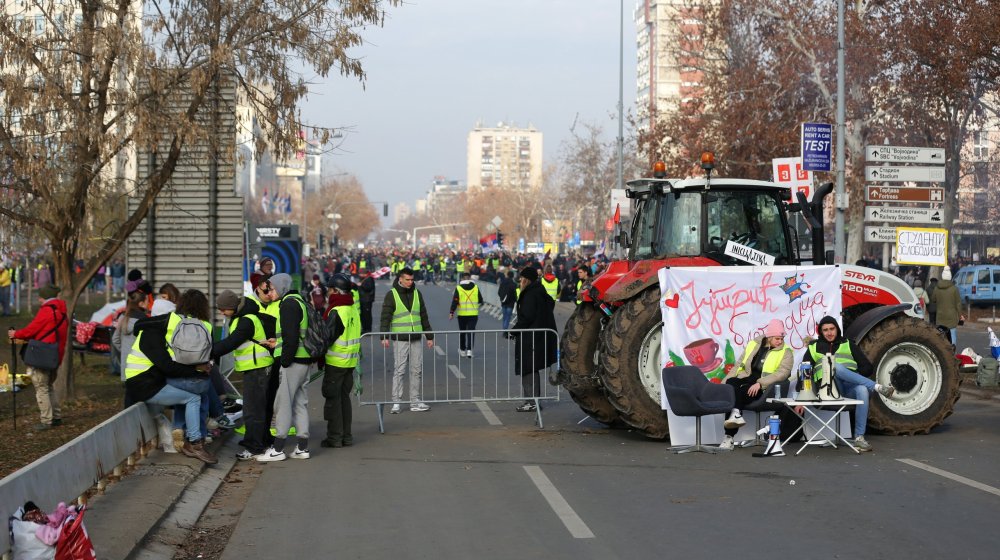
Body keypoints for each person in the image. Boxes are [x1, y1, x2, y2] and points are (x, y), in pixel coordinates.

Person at [124, 298, 217, 464]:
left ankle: (181, 429)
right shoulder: (151, 336)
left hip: (149, 381)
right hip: (144, 385)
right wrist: (195, 370)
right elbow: (168, 366)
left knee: (194, 392)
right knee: (193, 397)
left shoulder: (155, 332)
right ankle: (195, 442)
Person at [800, 315, 895, 452]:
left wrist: (852, 376)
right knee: (835, 366)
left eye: (832, 329)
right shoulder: (814, 347)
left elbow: (867, 368)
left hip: (849, 388)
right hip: (828, 390)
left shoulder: (848, 344)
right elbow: (805, 371)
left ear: (837, 329)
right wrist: (801, 396)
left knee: (862, 389)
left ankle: (859, 438)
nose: (829, 332)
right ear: (821, 331)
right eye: (825, 330)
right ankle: (877, 387)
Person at [211, 289, 276, 460]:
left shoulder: (246, 321)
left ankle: (254, 447)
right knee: (257, 408)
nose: (221, 312)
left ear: (232, 307)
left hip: (258, 369)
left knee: (252, 410)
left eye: (223, 309)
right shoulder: (243, 317)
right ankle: (260, 440)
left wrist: (206, 351)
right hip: (255, 367)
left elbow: (231, 343)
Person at [257, 273, 312, 462]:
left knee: (283, 404)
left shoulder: (288, 304)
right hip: (303, 359)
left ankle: (278, 449)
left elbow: (291, 337)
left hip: (293, 361)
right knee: (299, 403)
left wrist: (285, 360)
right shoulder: (298, 301)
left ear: (281, 287)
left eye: (271, 288)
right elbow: (292, 335)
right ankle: (302, 447)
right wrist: (278, 342)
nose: (269, 292)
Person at [719, 319, 793, 450]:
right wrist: (724, 384)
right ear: (769, 337)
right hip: (746, 379)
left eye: (782, 338)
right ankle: (735, 413)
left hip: (764, 387)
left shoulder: (786, 351)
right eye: (777, 338)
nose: (780, 341)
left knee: (738, 393)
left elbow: (782, 374)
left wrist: (760, 384)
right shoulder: (754, 344)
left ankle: (728, 437)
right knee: (730, 386)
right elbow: (738, 365)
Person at [9, 284, 68, 431]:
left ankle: (46, 420)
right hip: (55, 355)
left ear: (45, 297)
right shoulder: (61, 311)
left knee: (41, 387)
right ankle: (56, 417)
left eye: (40, 297)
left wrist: (16, 334)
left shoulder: (47, 311)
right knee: (49, 387)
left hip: (42, 356)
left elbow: (32, 329)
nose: (39, 300)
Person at [379, 267, 434, 413]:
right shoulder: (392, 295)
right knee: (400, 370)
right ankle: (396, 402)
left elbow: (423, 315)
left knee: (417, 370)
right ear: (400, 279)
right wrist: (384, 336)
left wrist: (429, 336)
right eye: (407, 279)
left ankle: (414, 401)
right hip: (400, 338)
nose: (410, 282)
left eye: (412, 279)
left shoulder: (417, 293)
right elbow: (385, 317)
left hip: (416, 337)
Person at [509, 267, 558, 412]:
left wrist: (514, 330)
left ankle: (532, 401)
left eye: (521, 278)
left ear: (526, 279)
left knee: (528, 368)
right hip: (537, 336)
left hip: (530, 337)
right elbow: (550, 304)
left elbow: (527, 316)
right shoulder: (540, 291)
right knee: (531, 368)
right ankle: (533, 400)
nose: (519, 280)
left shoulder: (530, 294)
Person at [322, 274, 360, 448]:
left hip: (336, 362)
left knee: (333, 399)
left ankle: (335, 438)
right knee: (344, 399)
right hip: (350, 362)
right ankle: (347, 436)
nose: (328, 293)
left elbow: (327, 337)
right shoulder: (352, 308)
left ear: (335, 290)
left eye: (329, 289)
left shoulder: (337, 310)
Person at [112, 290, 151, 408]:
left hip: (126, 366)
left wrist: (125, 351)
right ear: (141, 304)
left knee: (129, 398)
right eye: (147, 301)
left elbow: (115, 340)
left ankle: (127, 423)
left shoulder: (123, 318)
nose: (149, 304)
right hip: (141, 367)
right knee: (142, 401)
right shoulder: (145, 321)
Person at [450, 272, 483, 358]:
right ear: (469, 278)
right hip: (473, 314)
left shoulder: (458, 288)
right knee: (471, 332)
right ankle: (469, 351)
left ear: (462, 279)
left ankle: (462, 350)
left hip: (462, 314)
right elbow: (480, 300)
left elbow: (455, 301)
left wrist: (451, 312)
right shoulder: (475, 287)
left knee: (463, 332)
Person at [930, 267, 963, 347]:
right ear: (950, 277)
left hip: (940, 316)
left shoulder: (937, 288)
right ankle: (953, 351)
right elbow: (958, 304)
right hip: (951, 316)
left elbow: (933, 299)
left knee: (941, 334)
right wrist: (960, 315)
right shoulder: (954, 289)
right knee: (952, 334)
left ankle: (942, 350)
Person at [357, 268, 376, 334]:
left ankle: (367, 329)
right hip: (363, 299)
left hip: (367, 300)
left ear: (364, 274)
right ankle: (364, 328)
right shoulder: (365, 279)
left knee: (367, 315)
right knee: (363, 315)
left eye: (361, 274)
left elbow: (368, 288)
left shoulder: (369, 279)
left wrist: (361, 285)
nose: (359, 275)